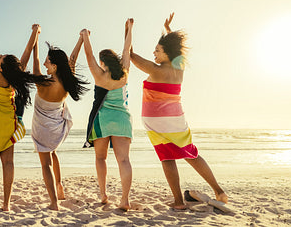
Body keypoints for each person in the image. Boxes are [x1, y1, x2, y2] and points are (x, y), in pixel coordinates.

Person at [129, 12, 228, 209]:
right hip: (176, 120)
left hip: (157, 123)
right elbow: (178, 52)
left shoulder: (156, 70)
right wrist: (169, 31)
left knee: (167, 157)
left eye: (157, 50)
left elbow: (130, 55)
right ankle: (219, 190)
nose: (154, 54)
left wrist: (128, 31)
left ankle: (178, 201)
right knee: (191, 154)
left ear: (167, 53)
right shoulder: (179, 67)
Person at [0, 19, 51, 212]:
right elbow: (28, 52)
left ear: (3, 66)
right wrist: (36, 32)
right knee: (8, 163)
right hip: (8, 125)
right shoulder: (16, 76)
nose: (0, 54)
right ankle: (6, 204)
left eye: (2, 56)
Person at [29, 24, 89, 210]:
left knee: (45, 164)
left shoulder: (43, 83)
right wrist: (81, 38)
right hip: (58, 128)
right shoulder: (66, 80)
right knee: (53, 153)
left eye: (49, 62)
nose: (45, 64)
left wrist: (35, 36)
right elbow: (72, 59)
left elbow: (36, 60)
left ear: (54, 66)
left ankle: (54, 202)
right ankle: (59, 186)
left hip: (43, 129)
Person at [81, 19, 134, 211]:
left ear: (102, 62)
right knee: (124, 160)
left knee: (101, 158)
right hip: (122, 120)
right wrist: (129, 29)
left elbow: (88, 56)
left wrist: (86, 36)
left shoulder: (99, 75)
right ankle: (125, 199)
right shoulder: (124, 74)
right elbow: (127, 50)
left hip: (103, 121)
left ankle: (103, 194)